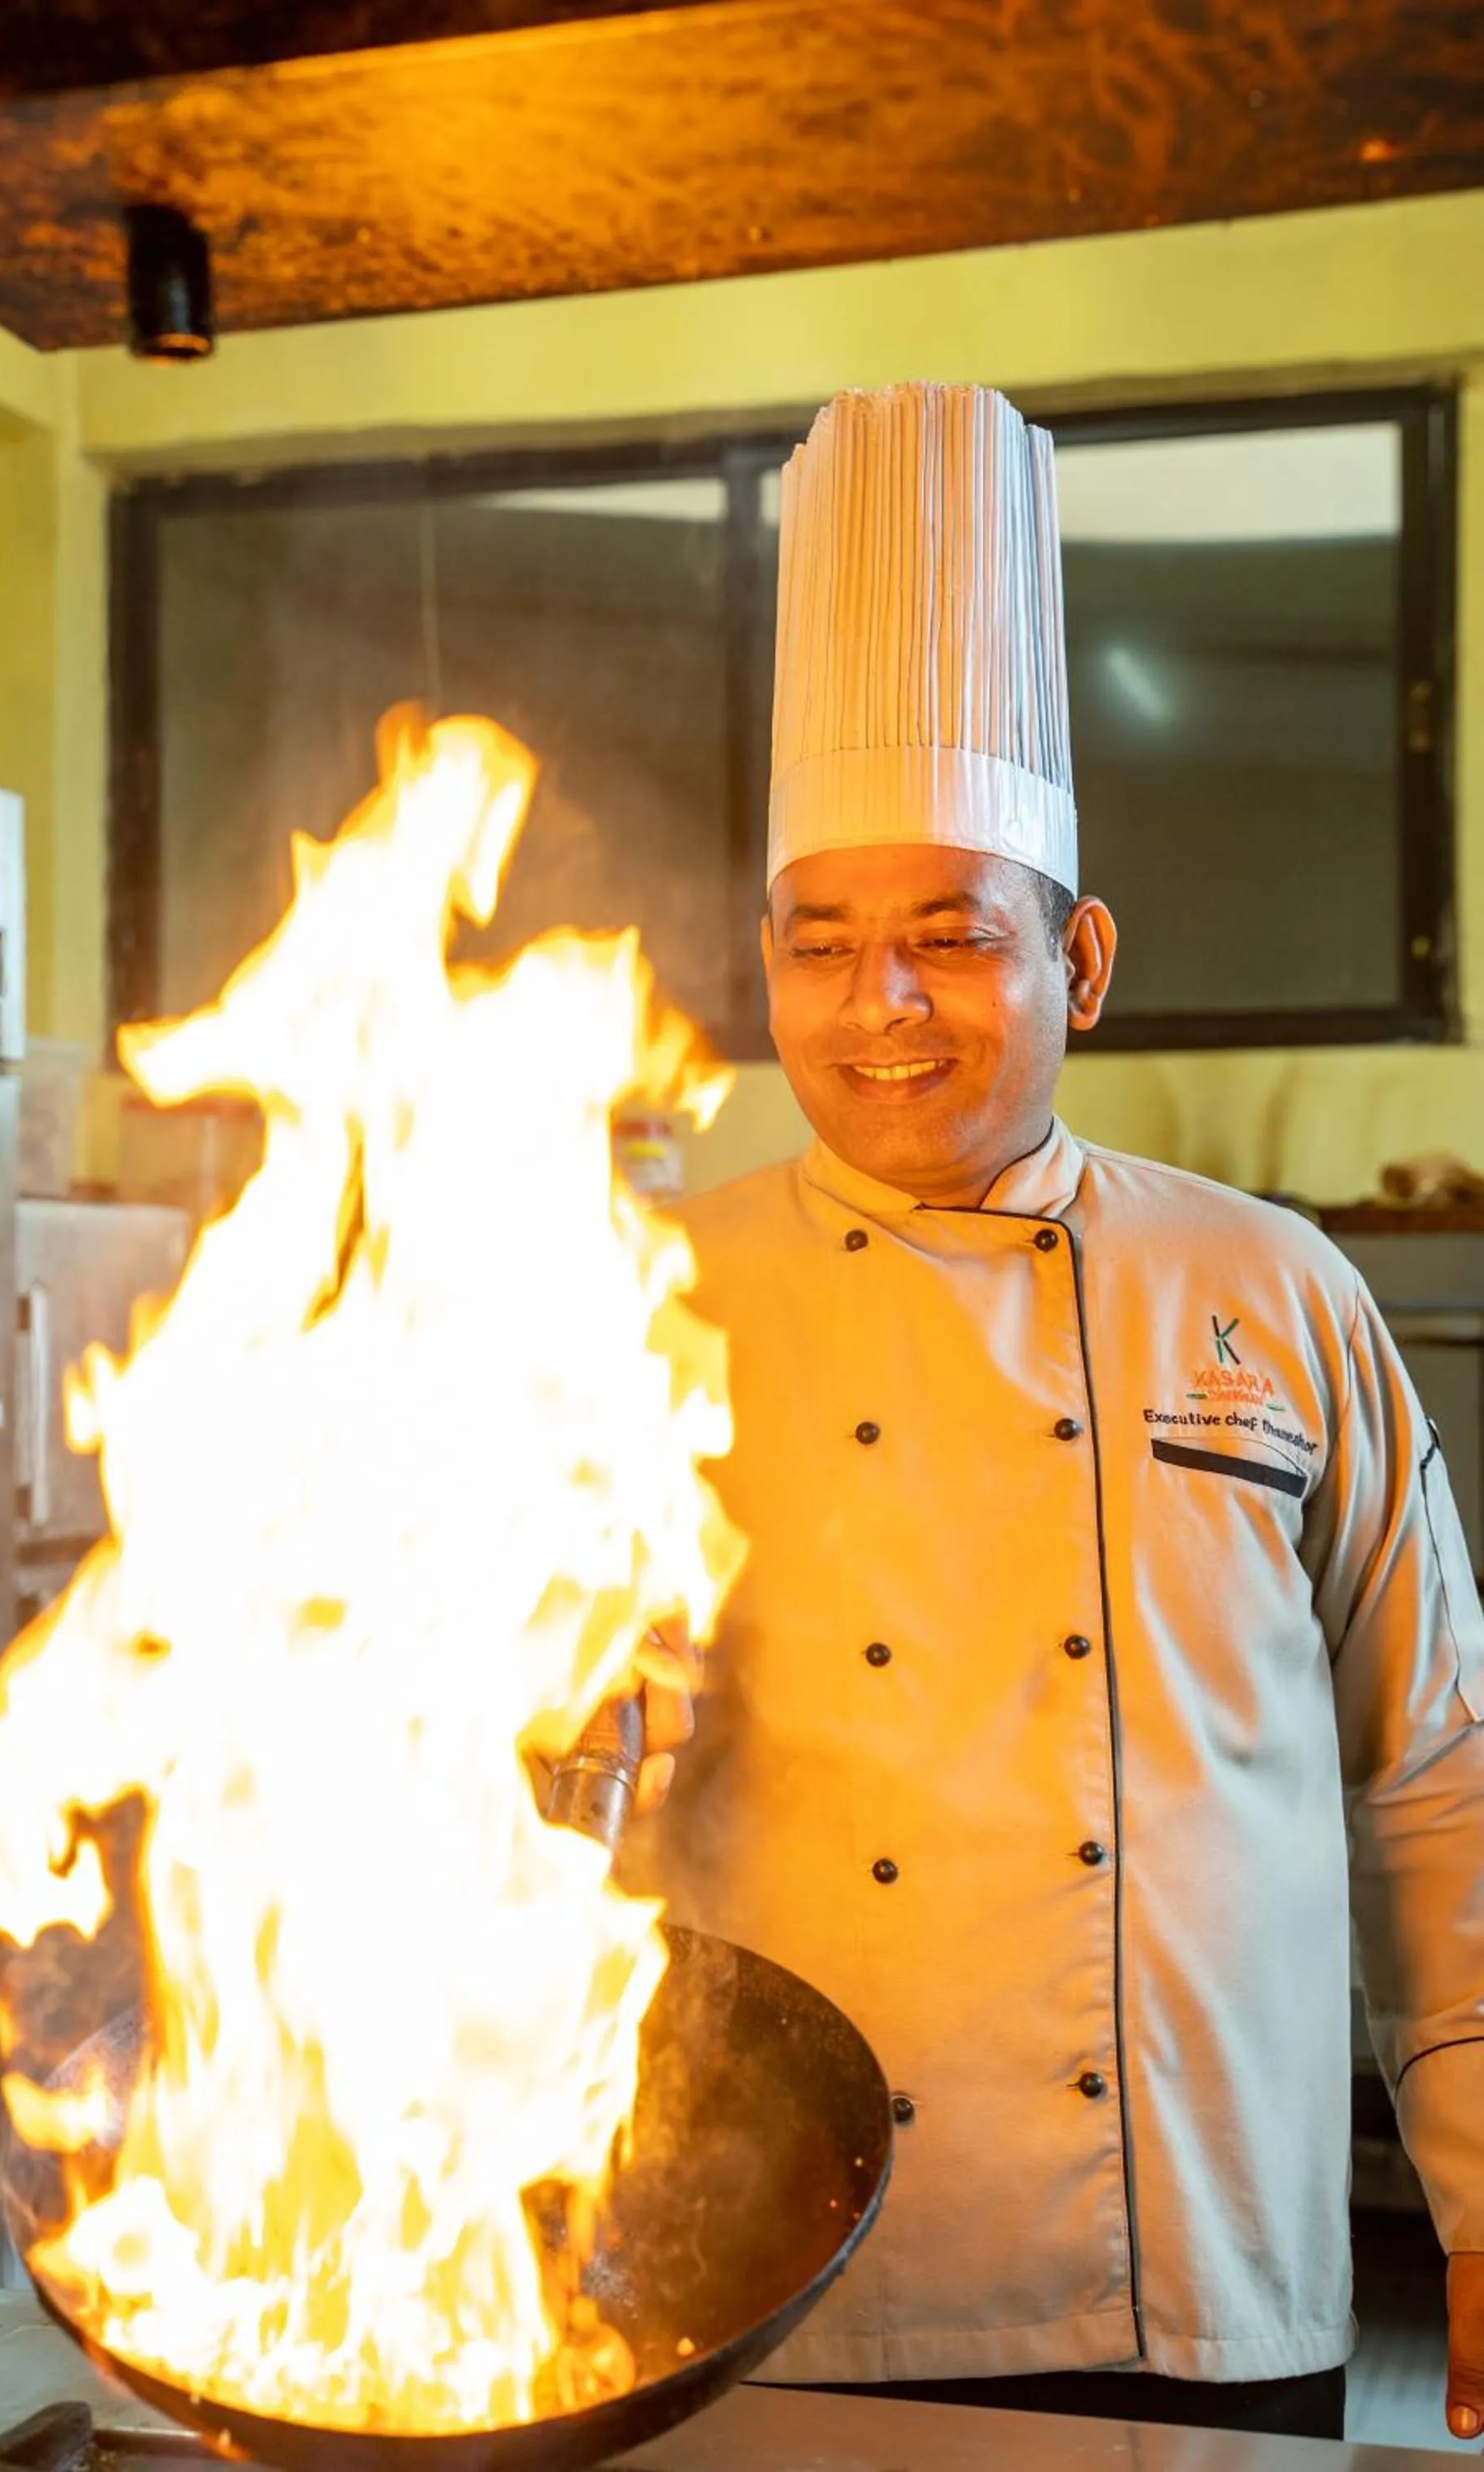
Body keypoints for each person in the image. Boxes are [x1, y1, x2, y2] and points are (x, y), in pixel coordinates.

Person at [624, 382, 1484, 2446]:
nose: (881, 1002)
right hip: (767, 2273)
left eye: (952, 937)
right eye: (825, 945)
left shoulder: (1273, 1286)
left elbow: (1437, 1774)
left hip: (1199, 2252)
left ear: (1081, 960)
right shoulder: (631, 1304)